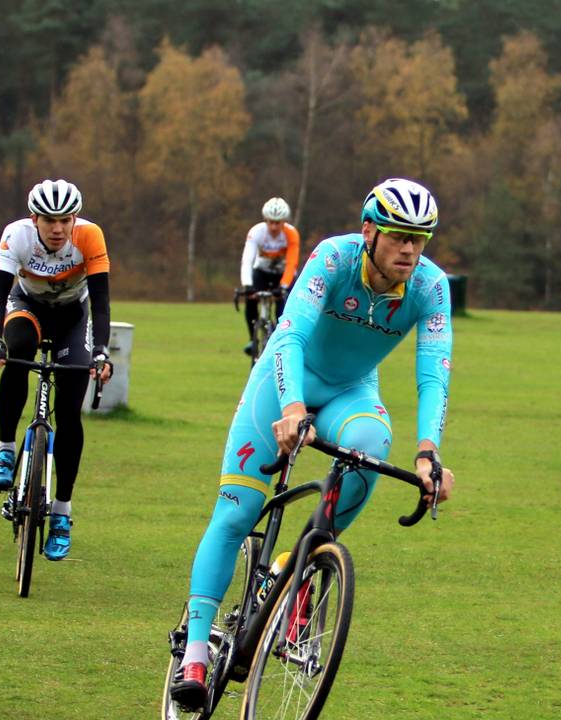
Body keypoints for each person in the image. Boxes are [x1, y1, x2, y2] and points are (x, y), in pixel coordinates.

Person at [168, 178, 458, 709]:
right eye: (399, 236)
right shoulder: (332, 258)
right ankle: (196, 646)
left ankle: (301, 567)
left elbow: (433, 375)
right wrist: (293, 408)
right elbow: (291, 335)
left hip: (351, 391)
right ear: (369, 231)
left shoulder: (431, 288)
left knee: (370, 446)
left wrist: (428, 452)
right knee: (238, 513)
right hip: (283, 381)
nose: (411, 249)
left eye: (421, 238)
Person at [0, 179, 112, 561]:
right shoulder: (17, 237)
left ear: (75, 220)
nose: (57, 229)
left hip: (73, 315)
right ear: (34, 218)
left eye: (65, 220)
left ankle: (62, 513)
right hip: (28, 306)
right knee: (17, 349)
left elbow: (100, 304)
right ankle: (5, 450)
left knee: (70, 411)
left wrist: (101, 352)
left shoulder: (90, 237)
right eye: (49, 220)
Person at [239, 197, 300, 356]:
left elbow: (291, 263)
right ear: (265, 220)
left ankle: (282, 340)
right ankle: (253, 339)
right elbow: (247, 259)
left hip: (283, 275)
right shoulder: (256, 232)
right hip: (262, 272)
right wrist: (247, 284)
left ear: (284, 221)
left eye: (278, 222)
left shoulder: (291, 233)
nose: (274, 226)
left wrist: (284, 286)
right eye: (270, 222)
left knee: (284, 309)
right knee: (251, 300)